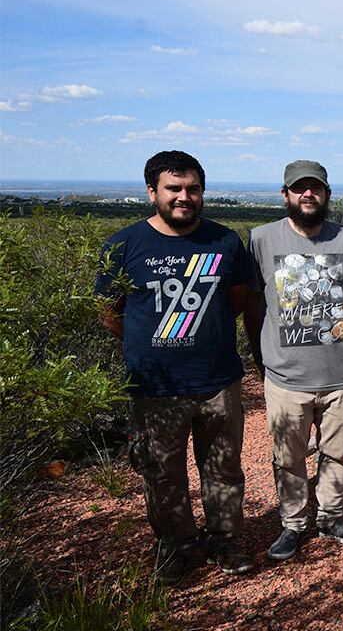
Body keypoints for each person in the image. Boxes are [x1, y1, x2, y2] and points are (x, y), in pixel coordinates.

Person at [96, 150, 254, 584]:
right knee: (162, 472)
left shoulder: (224, 242)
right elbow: (109, 312)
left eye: (193, 189)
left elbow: (238, 300)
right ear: (152, 192)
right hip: (155, 385)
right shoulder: (124, 245)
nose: (184, 197)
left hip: (218, 379)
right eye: (174, 188)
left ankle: (223, 541)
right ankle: (178, 547)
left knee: (223, 467)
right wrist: (146, 345)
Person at [244, 160, 343, 561]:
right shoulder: (261, 239)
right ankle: (293, 524)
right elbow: (252, 303)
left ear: (327, 194)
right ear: (284, 194)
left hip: (342, 373)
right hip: (287, 377)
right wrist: (261, 354)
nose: (308, 194)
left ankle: (331, 517)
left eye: (316, 188)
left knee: (338, 451)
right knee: (287, 456)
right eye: (299, 188)